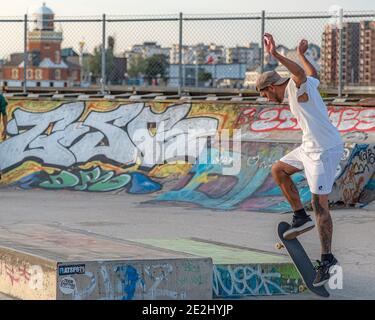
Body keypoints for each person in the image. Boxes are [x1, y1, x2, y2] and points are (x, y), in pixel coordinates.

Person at [256, 33, 344, 287]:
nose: (267, 100)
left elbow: (301, 75)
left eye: (265, 95)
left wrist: (275, 55)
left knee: (320, 205)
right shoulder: (308, 85)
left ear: (270, 87)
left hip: (324, 151)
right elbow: (312, 73)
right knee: (279, 170)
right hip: (308, 147)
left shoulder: (296, 87)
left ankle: (327, 259)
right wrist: (303, 55)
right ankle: (299, 216)